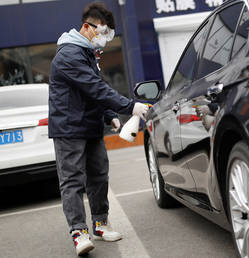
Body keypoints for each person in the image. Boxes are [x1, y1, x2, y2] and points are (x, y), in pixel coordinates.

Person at [48, 2, 148, 256]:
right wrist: (129, 106)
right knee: (72, 180)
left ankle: (100, 224)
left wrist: (111, 115)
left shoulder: (87, 53)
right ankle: (79, 232)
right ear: (86, 27)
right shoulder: (69, 54)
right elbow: (95, 88)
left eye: (108, 35)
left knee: (98, 176)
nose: (104, 39)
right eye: (102, 33)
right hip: (69, 128)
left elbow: (92, 92)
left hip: (90, 126)